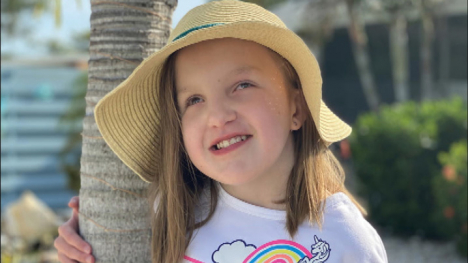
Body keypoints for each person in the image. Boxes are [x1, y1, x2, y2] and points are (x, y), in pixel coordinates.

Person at [54, 1, 388, 262]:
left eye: (243, 84)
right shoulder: (171, 221)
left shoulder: (346, 239)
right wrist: (85, 238)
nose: (217, 115)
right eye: (194, 99)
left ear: (297, 109)